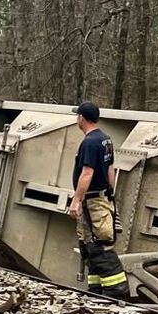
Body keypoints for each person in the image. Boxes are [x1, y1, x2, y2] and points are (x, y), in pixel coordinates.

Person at [65, 101, 129, 299]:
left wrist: (76, 201)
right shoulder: (105, 140)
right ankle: (96, 293)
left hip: (92, 202)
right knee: (89, 247)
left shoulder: (90, 142)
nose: (77, 119)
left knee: (101, 246)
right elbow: (111, 169)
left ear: (82, 118)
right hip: (99, 200)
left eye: (78, 116)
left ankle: (117, 293)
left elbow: (87, 173)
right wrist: (110, 194)